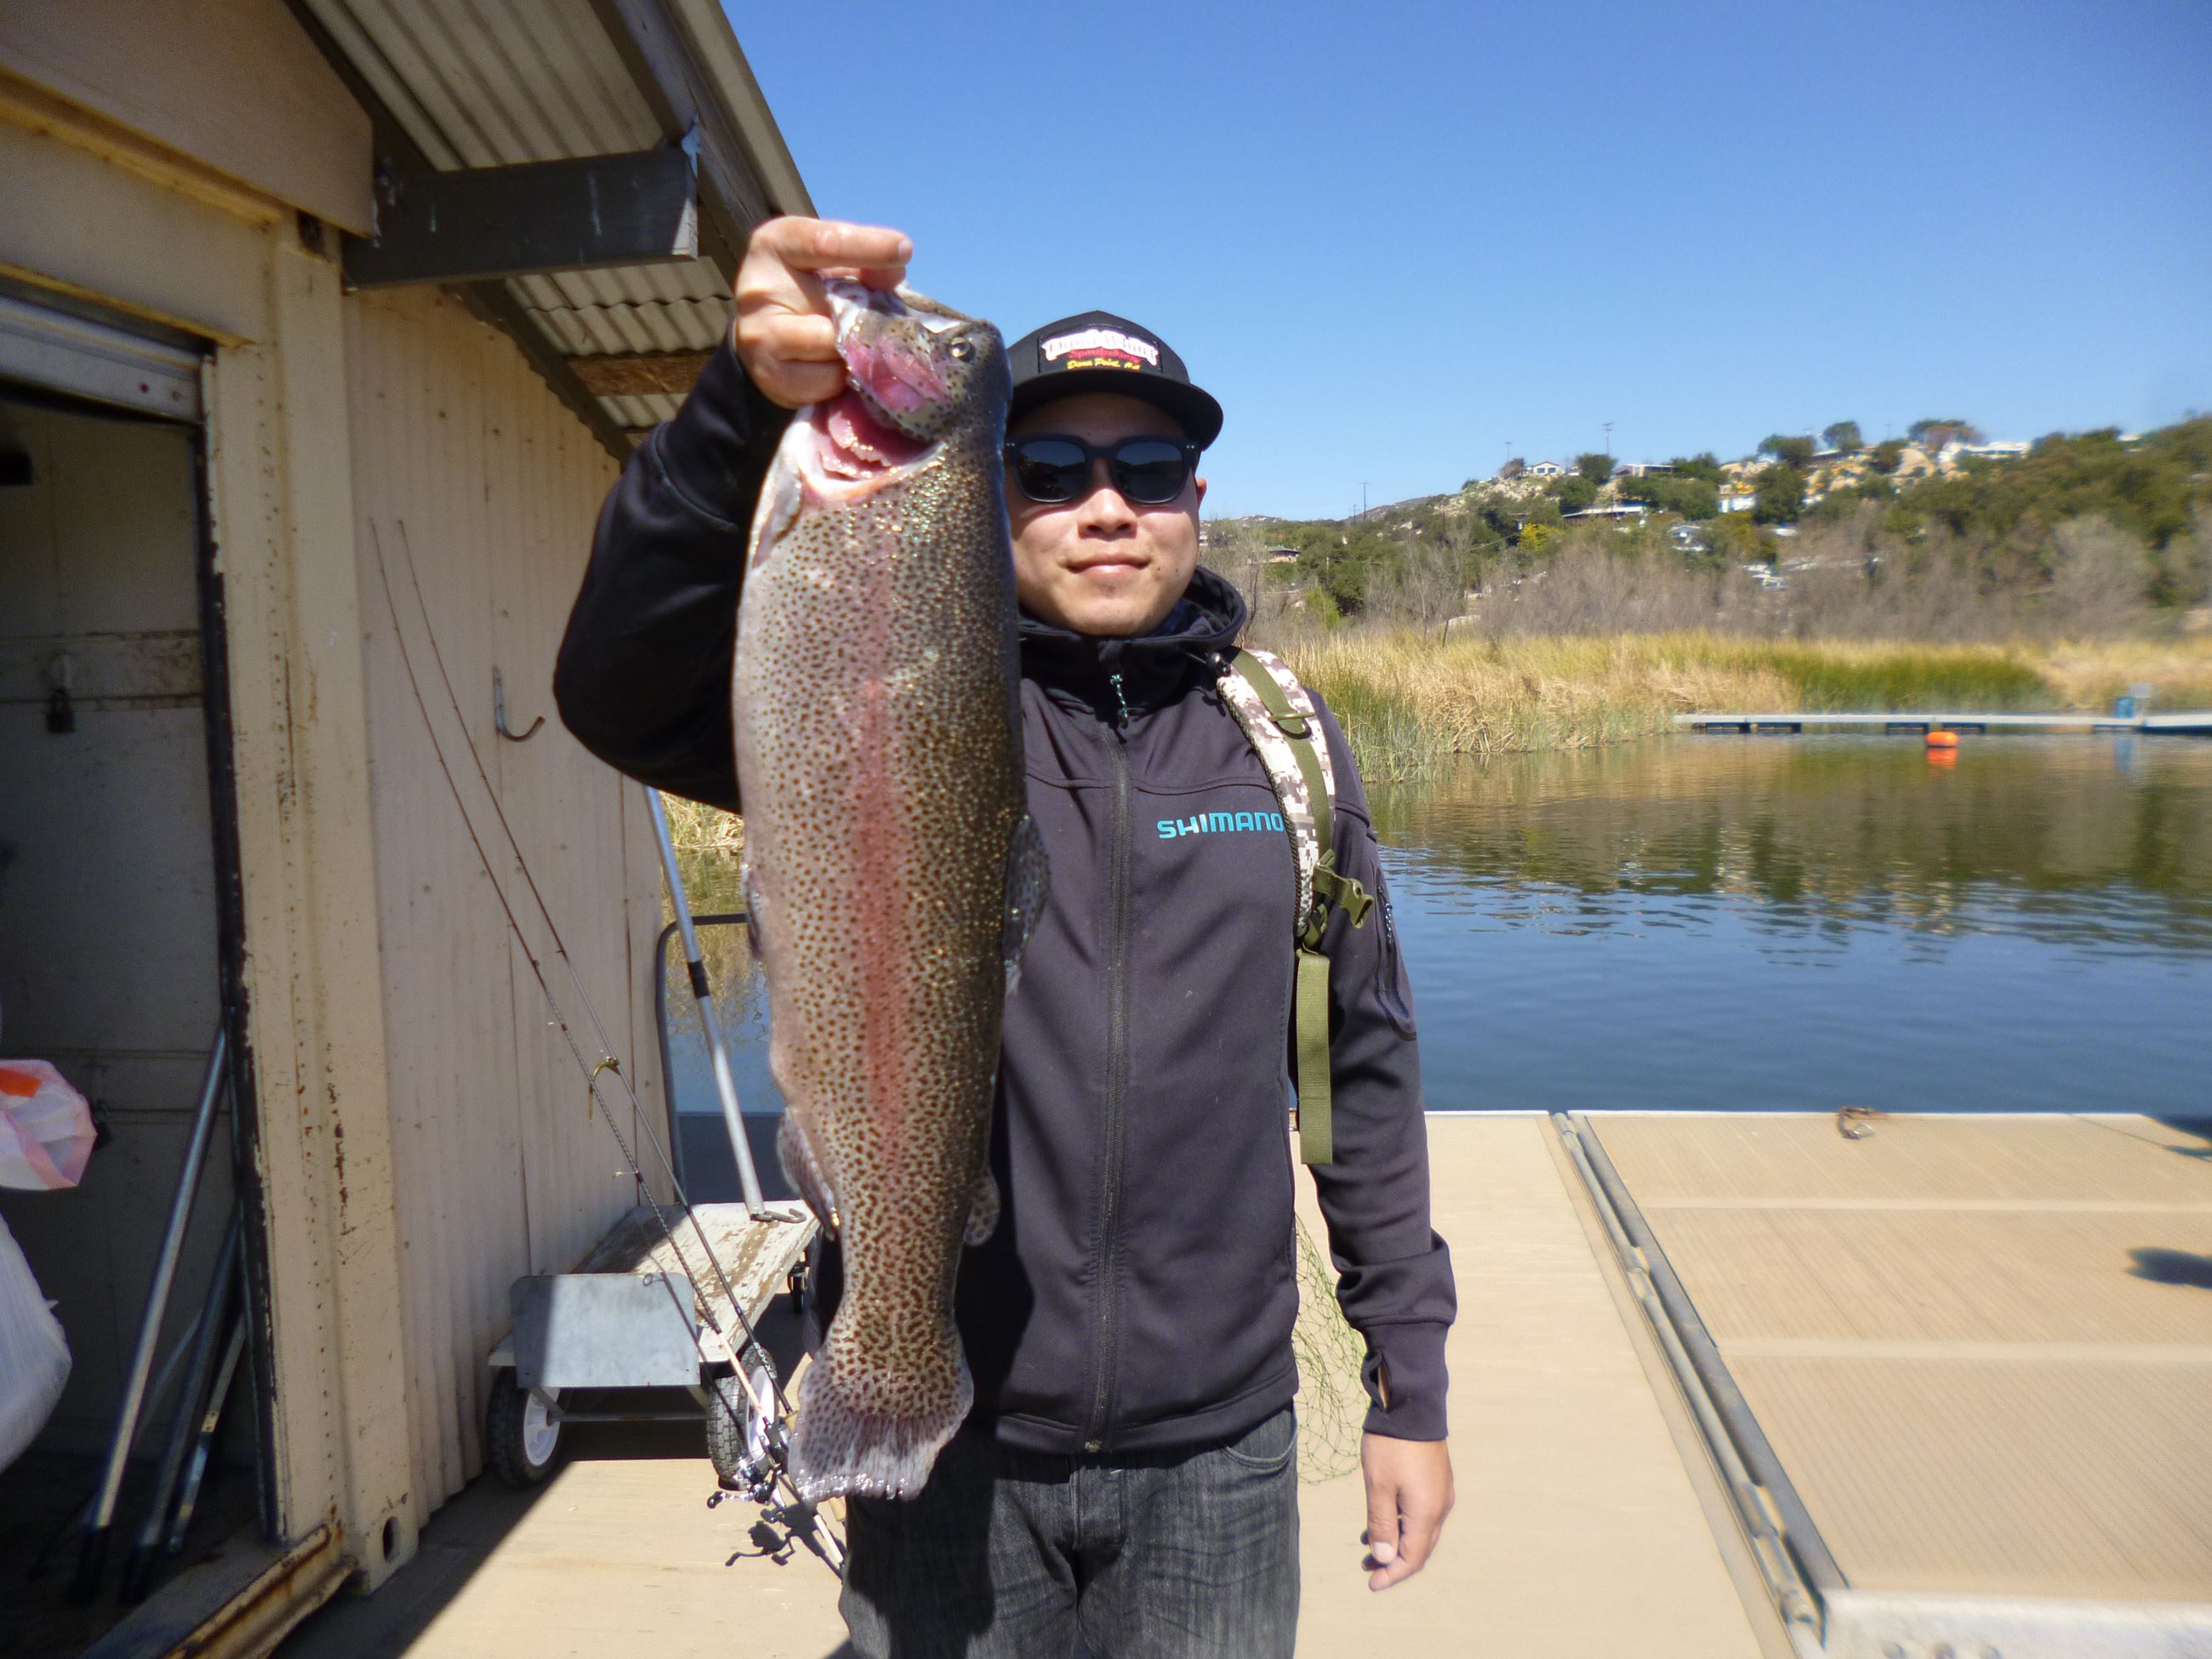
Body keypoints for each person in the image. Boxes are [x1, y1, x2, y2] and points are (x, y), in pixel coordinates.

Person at [555, 216, 1456, 1656]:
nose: (1108, 506)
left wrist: (1410, 1383)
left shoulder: (1281, 743)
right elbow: (612, 688)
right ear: (992, 491)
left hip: (1219, 1450)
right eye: (1054, 469)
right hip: (955, 1428)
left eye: (1147, 471)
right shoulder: (897, 678)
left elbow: (1359, 1079)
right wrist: (737, 409)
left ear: (1196, 500)